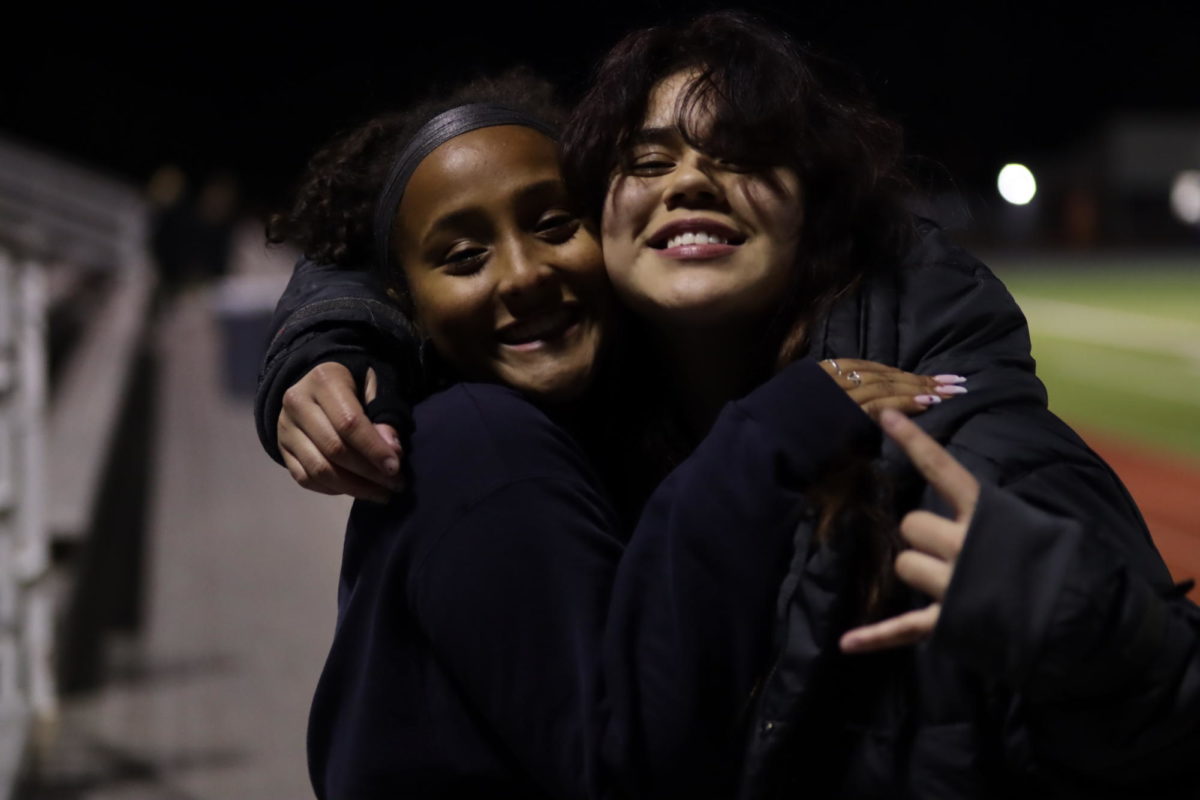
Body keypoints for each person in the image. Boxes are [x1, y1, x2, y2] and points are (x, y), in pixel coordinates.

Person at [262, 13, 1200, 799]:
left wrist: (1102, 637)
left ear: (816, 211)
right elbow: (422, 205)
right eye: (646, 158)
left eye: (743, 153)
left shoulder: (948, 422)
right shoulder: (557, 412)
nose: (688, 180)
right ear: (608, 214)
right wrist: (328, 327)